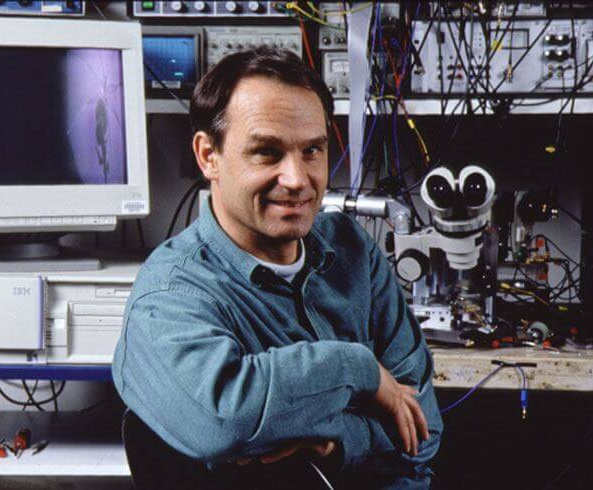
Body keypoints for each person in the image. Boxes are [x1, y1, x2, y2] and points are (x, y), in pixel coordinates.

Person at [112, 47, 442, 489]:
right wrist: (358, 371)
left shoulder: (352, 251)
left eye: (312, 150)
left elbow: (426, 429)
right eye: (267, 153)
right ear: (208, 155)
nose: (297, 179)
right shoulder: (170, 295)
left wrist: (333, 442)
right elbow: (225, 418)